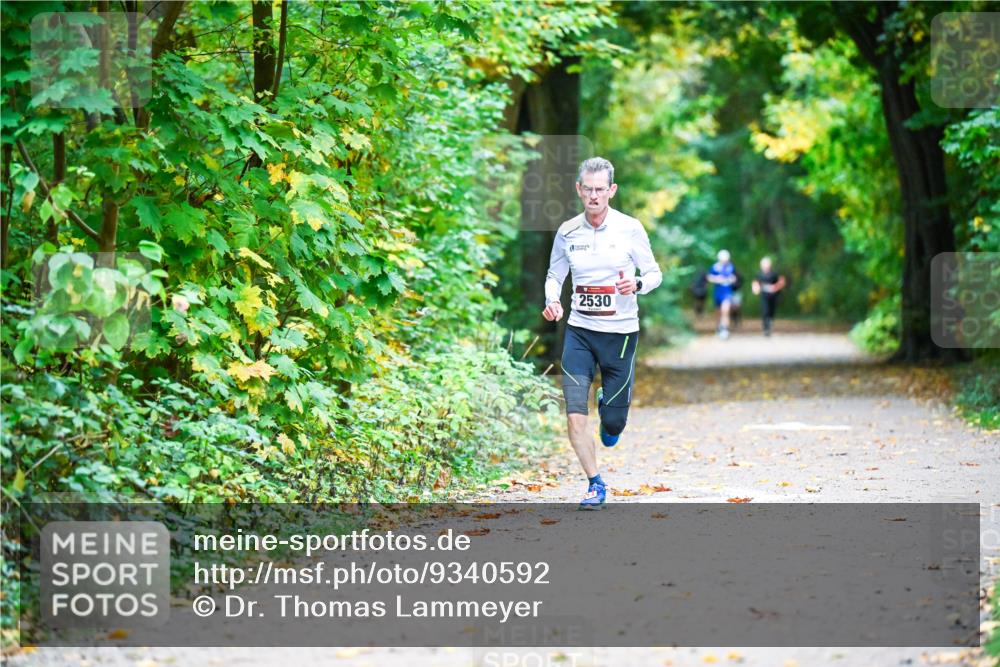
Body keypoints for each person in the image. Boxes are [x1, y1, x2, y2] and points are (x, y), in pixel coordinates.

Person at [541, 157, 662, 510]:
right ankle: (595, 483)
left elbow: (654, 273)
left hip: (620, 334)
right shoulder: (567, 232)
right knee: (575, 411)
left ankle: (611, 418)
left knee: (612, 421)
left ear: (612, 190)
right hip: (579, 331)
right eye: (587, 189)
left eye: (600, 190)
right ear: (579, 190)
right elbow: (554, 276)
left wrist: (636, 283)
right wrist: (552, 300)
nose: (594, 196)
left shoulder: (630, 229)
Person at [706, 249, 738, 339]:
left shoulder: (731, 267)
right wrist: (717, 279)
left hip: (727, 292)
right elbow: (709, 277)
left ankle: (725, 329)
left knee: (726, 310)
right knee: (718, 312)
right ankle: (718, 328)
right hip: (718, 292)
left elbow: (735, 278)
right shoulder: (715, 267)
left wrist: (732, 279)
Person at [751, 256, 786, 336]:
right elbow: (755, 283)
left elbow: (781, 281)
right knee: (765, 311)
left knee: (771, 311)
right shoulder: (759, 274)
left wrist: (775, 287)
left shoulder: (774, 274)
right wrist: (755, 289)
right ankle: (766, 328)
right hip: (764, 295)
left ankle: (770, 323)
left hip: (773, 296)